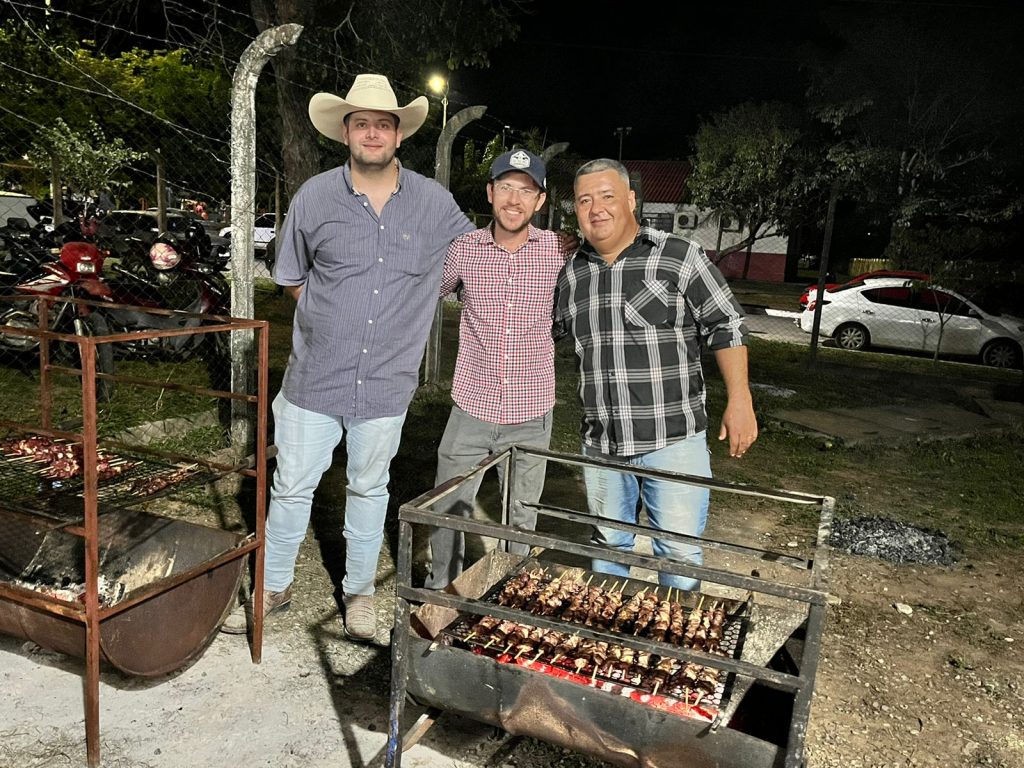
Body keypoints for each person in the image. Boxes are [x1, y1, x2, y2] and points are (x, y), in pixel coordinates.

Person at [221, 73, 473, 641]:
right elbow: (289, 274)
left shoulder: (434, 203)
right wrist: (328, 315)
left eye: (383, 123)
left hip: (386, 384)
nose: (373, 133)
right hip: (315, 379)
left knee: (369, 489)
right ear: (346, 132)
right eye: (362, 123)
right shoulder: (315, 196)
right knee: (290, 488)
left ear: (399, 134)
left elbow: (477, 260)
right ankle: (274, 588)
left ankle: (358, 595)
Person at [553, 158, 758, 592]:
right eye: (585, 200)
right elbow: (541, 336)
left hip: (674, 440)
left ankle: (674, 653)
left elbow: (727, 324)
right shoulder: (571, 275)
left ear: (630, 200)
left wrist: (740, 401)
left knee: (680, 553)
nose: (596, 209)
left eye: (607, 196)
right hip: (602, 443)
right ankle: (607, 646)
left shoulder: (679, 257)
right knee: (608, 548)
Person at [425, 149, 567, 590]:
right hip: (472, 403)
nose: (513, 199)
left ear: (540, 201)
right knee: (448, 505)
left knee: (521, 514)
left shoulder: (560, 251)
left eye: (525, 191)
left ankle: (510, 592)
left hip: (531, 410)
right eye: (505, 187)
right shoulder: (464, 251)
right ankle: (440, 593)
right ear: (490, 193)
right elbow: (419, 293)